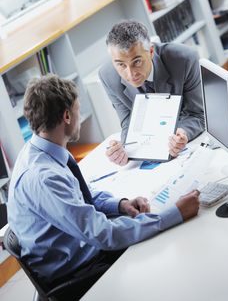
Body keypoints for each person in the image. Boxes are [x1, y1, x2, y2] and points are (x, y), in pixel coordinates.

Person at [7, 75, 199, 300]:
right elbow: (104, 235)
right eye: (78, 109)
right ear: (67, 116)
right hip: (78, 271)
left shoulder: (39, 151)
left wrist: (120, 205)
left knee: (149, 231)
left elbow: (79, 194)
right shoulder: (44, 178)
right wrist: (175, 214)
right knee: (171, 253)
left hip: (74, 246)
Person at [99, 20, 205, 166]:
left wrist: (183, 133)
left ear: (150, 51)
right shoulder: (108, 76)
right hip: (151, 150)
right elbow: (128, 122)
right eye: (121, 64)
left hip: (190, 147)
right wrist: (123, 149)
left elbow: (197, 114)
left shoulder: (184, 59)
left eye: (136, 62)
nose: (130, 74)